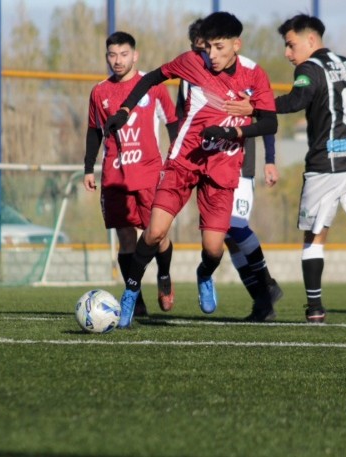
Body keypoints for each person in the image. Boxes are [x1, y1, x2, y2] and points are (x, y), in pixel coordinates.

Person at [103, 12, 278, 328]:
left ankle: (204, 274)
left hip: (223, 167)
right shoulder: (193, 61)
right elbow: (151, 77)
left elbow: (270, 122)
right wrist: (125, 111)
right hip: (184, 161)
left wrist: (228, 134)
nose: (211, 55)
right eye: (207, 47)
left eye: (219, 48)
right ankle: (130, 291)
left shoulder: (254, 75)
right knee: (155, 232)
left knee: (213, 248)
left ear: (236, 45)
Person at [228, 16, 346, 325]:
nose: (287, 53)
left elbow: (297, 99)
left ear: (311, 41)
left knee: (315, 236)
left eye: (290, 45)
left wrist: (254, 105)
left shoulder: (309, 69)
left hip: (328, 164)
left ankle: (315, 307)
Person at [181, 18, 283, 322]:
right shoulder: (191, 74)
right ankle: (262, 300)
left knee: (235, 225)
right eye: (201, 48)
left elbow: (265, 114)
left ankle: (266, 285)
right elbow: (181, 117)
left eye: (213, 47)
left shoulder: (248, 70)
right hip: (204, 162)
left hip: (238, 159)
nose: (208, 55)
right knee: (226, 234)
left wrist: (270, 158)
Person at [83, 31, 179, 319]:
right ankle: (134, 298)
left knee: (157, 235)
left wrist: (176, 159)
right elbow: (94, 131)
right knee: (126, 238)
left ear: (135, 55)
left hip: (150, 173)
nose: (117, 60)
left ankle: (164, 274)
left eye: (123, 54)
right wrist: (88, 167)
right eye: (112, 55)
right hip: (115, 174)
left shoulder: (152, 87)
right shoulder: (100, 91)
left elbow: (173, 123)